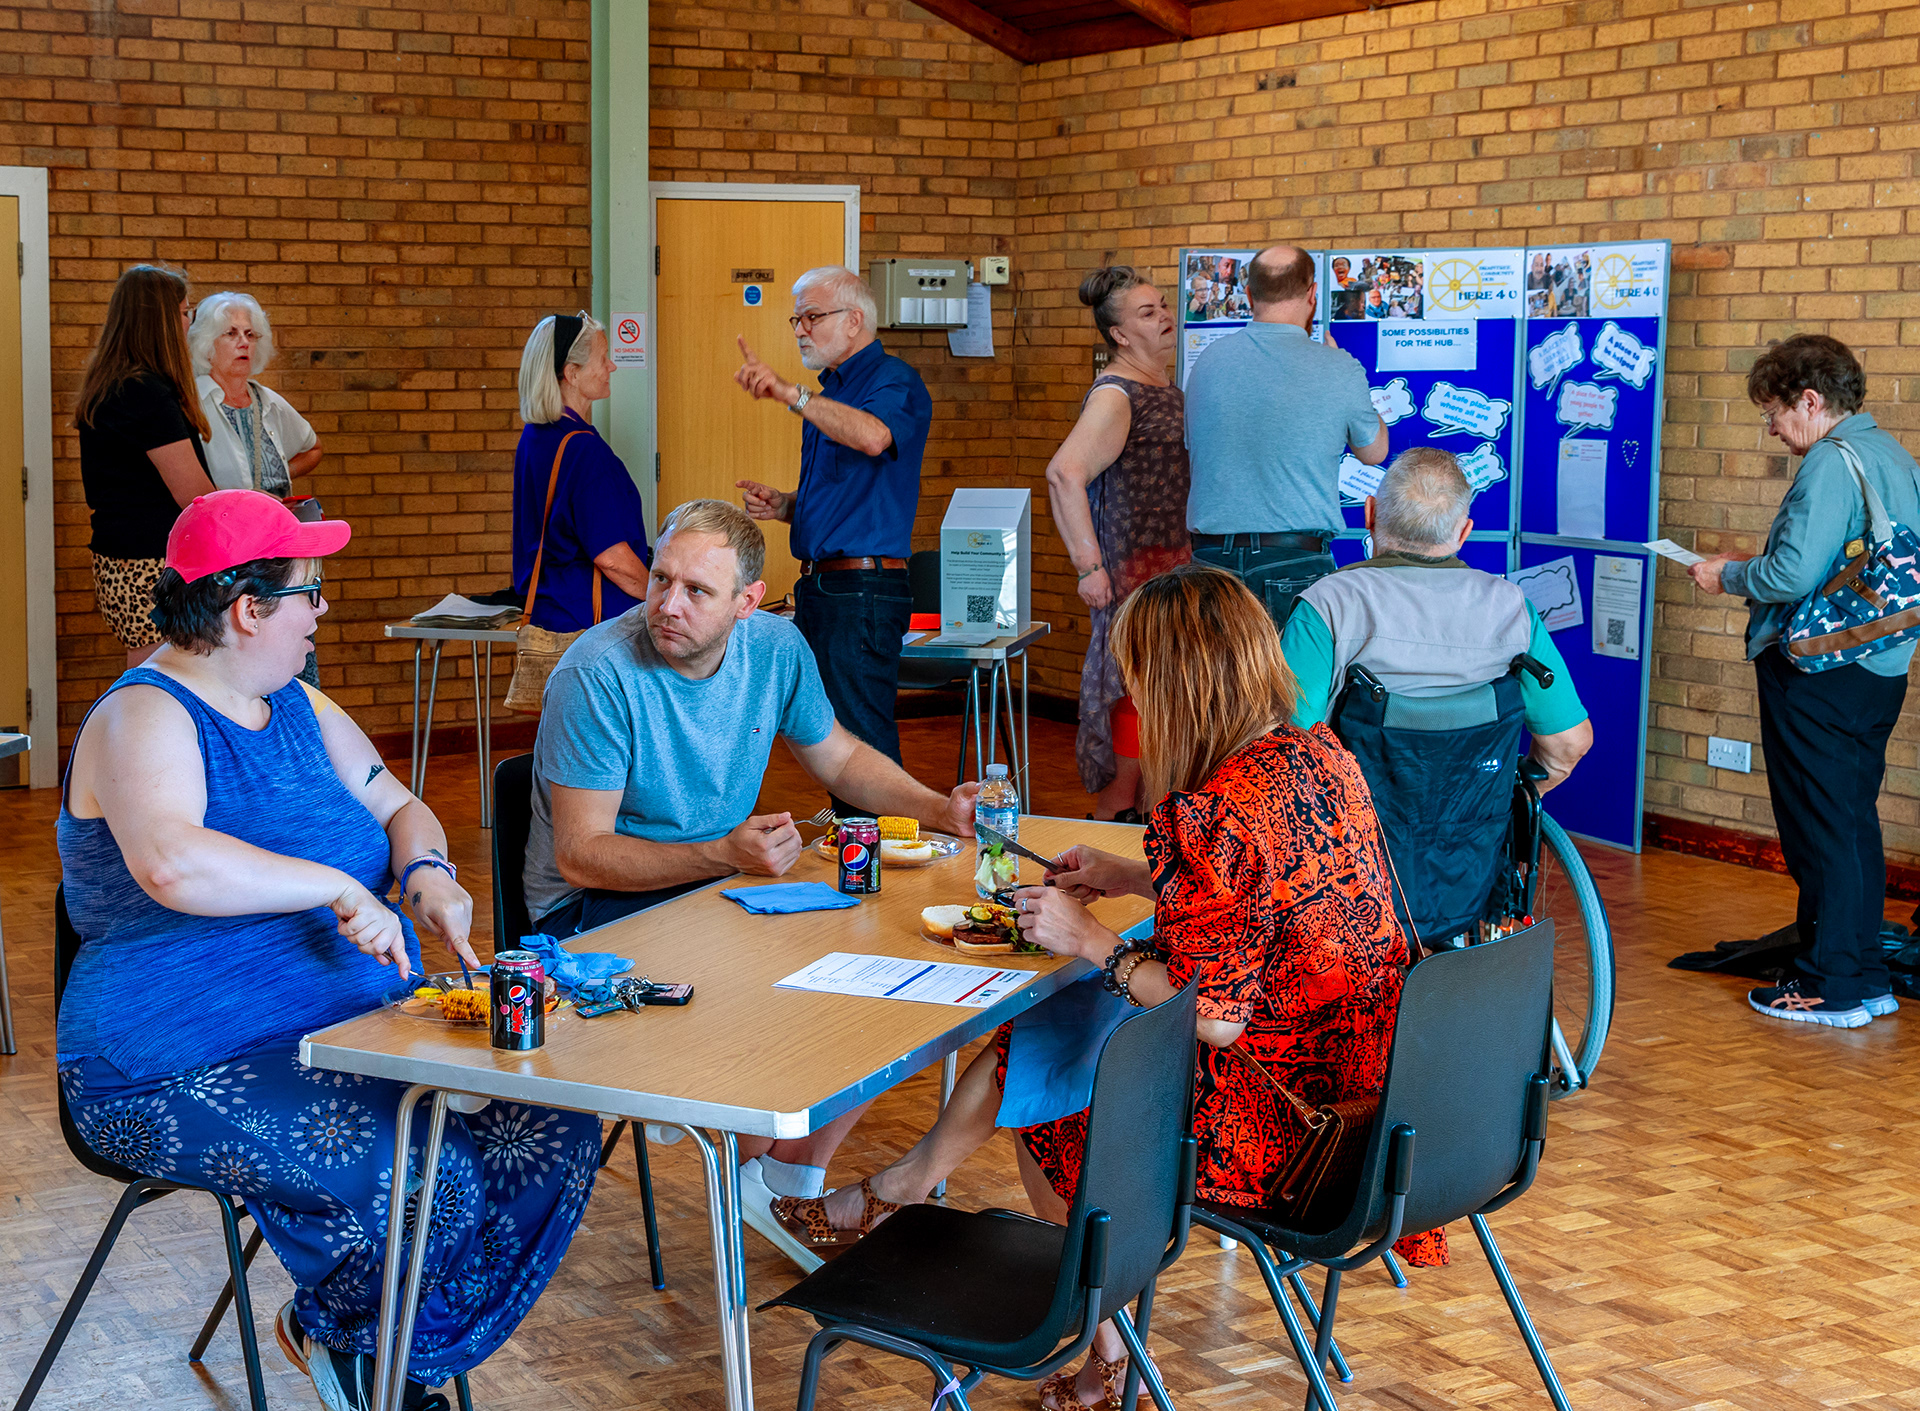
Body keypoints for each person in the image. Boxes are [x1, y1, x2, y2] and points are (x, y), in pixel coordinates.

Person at [771, 564, 1437, 1410]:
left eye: (1140, 681)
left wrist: (1088, 938)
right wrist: (1131, 874)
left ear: (1178, 687)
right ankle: (901, 1190)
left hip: (1292, 1128)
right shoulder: (1318, 755)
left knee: (1053, 1100)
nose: (1134, 701)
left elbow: (1217, 1020)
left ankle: (1101, 1350)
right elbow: (1266, 896)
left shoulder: (1221, 809)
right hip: (1367, 1086)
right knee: (1058, 1037)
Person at [57, 489, 598, 1411]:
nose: (321, 609)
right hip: (170, 1061)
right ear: (248, 609)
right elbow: (172, 862)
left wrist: (425, 870)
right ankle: (377, 1361)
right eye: (309, 592)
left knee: (553, 1123)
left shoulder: (299, 703)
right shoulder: (143, 714)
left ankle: (372, 1348)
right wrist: (338, 885)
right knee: (427, 1173)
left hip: (349, 1028)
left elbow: (398, 803)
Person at [522, 497, 977, 1266]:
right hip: (593, 913)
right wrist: (723, 854)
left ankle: (782, 1176)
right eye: (661, 578)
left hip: (711, 885)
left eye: (697, 590)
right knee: (778, 983)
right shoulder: (596, 673)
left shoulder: (775, 647)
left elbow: (840, 758)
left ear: (748, 601)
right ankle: (751, 1163)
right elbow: (581, 856)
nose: (668, 604)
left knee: (895, 972)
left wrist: (938, 807)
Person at [1691, 334, 1920, 1027]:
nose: (1771, 428)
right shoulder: (1890, 453)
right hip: (1879, 666)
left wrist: (1728, 574)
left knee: (1819, 830)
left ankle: (1830, 985)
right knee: (1850, 822)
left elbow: (1792, 575)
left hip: (1820, 671)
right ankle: (1865, 975)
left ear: (1811, 401)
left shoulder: (1829, 460)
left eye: (1774, 412)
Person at [732, 266, 934, 790]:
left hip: (863, 590)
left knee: (863, 738)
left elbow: (873, 437)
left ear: (854, 320)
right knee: (835, 741)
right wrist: (786, 505)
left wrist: (791, 394)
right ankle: (855, 834)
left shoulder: (893, 379)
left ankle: (883, 838)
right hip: (824, 588)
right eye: (796, 319)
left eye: (812, 317)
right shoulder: (830, 391)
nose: (800, 330)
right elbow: (845, 491)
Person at [1284, 447, 1592, 784]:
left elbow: (1290, 748)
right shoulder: (1513, 609)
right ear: (1464, 533)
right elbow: (1569, 743)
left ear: (1369, 514)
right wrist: (1520, 799)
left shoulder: (1326, 604)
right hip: (1480, 815)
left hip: (1354, 814)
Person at [1044, 266, 1190, 821]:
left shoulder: (1160, 386)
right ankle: (1112, 828)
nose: (1165, 318)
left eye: (1163, 306)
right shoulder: (1116, 393)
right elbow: (1064, 473)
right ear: (1120, 335)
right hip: (1136, 575)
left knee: (1161, 700)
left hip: (1169, 569)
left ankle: (1146, 833)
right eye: (1148, 313)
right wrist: (1088, 566)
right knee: (1139, 697)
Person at [1184, 245, 1388, 632]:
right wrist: (1345, 377)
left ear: (1249, 295)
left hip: (1209, 564)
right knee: (1291, 674)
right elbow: (1375, 452)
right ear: (1312, 293)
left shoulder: (1207, 362)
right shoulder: (1338, 367)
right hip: (1295, 562)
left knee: (1213, 674)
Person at [76, 264, 219, 668]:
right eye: (186, 312)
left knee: (159, 673)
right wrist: (247, 509)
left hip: (124, 556)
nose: (189, 322)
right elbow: (192, 493)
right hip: (147, 562)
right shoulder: (143, 391)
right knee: (161, 677)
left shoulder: (117, 382)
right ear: (162, 321)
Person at [512, 312, 651, 634]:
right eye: (603, 358)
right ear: (572, 373)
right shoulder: (583, 449)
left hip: (548, 615)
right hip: (592, 625)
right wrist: (661, 597)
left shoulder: (535, 436)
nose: (611, 367)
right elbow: (612, 557)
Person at [190, 292, 323, 495]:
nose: (244, 342)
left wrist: (280, 476)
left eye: (250, 334)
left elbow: (313, 449)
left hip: (275, 515)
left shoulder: (268, 400)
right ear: (206, 344)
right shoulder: (192, 403)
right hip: (218, 515)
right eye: (231, 333)